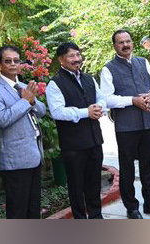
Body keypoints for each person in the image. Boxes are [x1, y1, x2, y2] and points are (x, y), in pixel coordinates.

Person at [98, 30, 150, 219]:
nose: (125, 45)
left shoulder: (142, 62)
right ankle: (131, 207)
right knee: (127, 168)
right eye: (120, 42)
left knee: (148, 165)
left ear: (132, 43)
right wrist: (132, 100)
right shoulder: (108, 69)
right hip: (126, 127)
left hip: (148, 123)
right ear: (114, 46)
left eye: (128, 41)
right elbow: (107, 99)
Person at [0, 45, 47, 219]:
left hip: (34, 155)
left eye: (16, 60)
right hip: (15, 159)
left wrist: (32, 101)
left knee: (33, 209)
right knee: (18, 211)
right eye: (7, 61)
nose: (13, 64)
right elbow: (1, 120)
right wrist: (25, 102)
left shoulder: (23, 85)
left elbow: (41, 111)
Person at [45, 42, 105, 219]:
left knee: (94, 183)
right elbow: (57, 112)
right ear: (61, 60)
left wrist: (99, 107)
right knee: (76, 186)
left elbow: (102, 99)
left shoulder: (89, 79)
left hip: (94, 140)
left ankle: (96, 217)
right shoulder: (55, 84)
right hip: (73, 146)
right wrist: (86, 112)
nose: (77, 59)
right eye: (71, 56)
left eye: (78, 55)